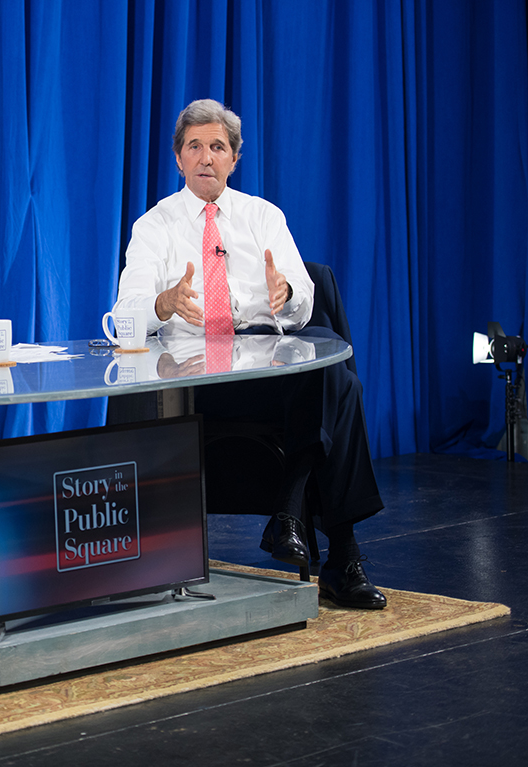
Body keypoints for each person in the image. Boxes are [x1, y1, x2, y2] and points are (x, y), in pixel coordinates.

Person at [112, 99, 386, 609]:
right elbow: (125, 311)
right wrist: (162, 302)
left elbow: (304, 298)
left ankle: (294, 513)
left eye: (218, 147)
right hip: (194, 383)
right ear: (178, 158)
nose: (206, 158)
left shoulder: (263, 216)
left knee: (328, 371)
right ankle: (334, 548)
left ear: (234, 158)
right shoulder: (155, 226)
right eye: (194, 146)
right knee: (343, 388)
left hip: (267, 374)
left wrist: (286, 294)